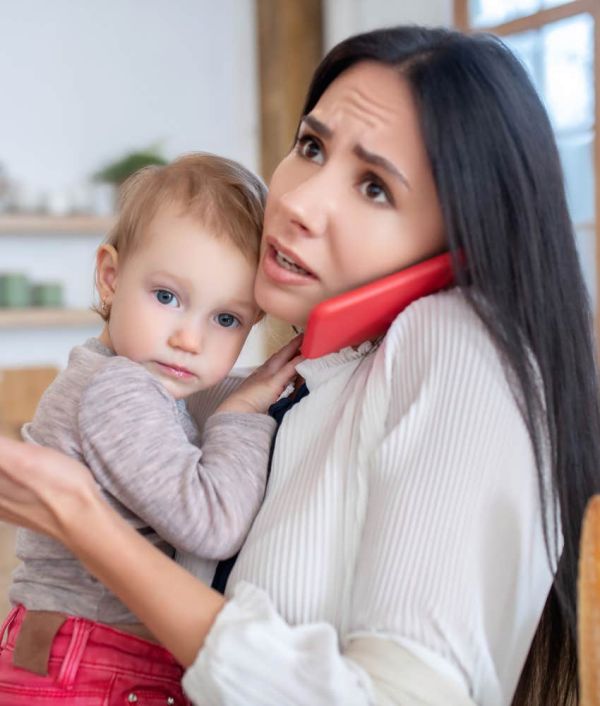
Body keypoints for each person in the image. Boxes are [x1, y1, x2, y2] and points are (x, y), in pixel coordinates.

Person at [0, 24, 598, 706]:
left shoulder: (453, 339)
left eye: (374, 187)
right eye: (311, 147)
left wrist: (85, 522)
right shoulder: (327, 367)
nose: (297, 203)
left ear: (461, 238)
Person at [0, 154, 301, 704]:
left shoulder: (120, 375)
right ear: (111, 278)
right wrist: (242, 416)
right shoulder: (119, 391)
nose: (190, 339)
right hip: (95, 663)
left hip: (72, 653)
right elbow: (212, 523)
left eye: (225, 319)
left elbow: (199, 396)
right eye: (167, 297)